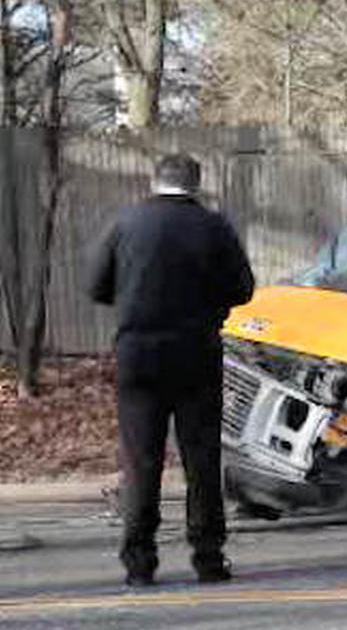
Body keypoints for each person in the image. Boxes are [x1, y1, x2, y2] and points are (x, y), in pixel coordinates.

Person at [87, 153, 255, 587]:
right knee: (201, 459)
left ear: (154, 181)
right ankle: (208, 558)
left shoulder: (125, 224)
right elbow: (244, 289)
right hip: (196, 354)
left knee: (141, 460)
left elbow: (96, 287)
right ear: (196, 184)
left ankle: (140, 563)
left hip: (138, 355)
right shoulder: (214, 228)